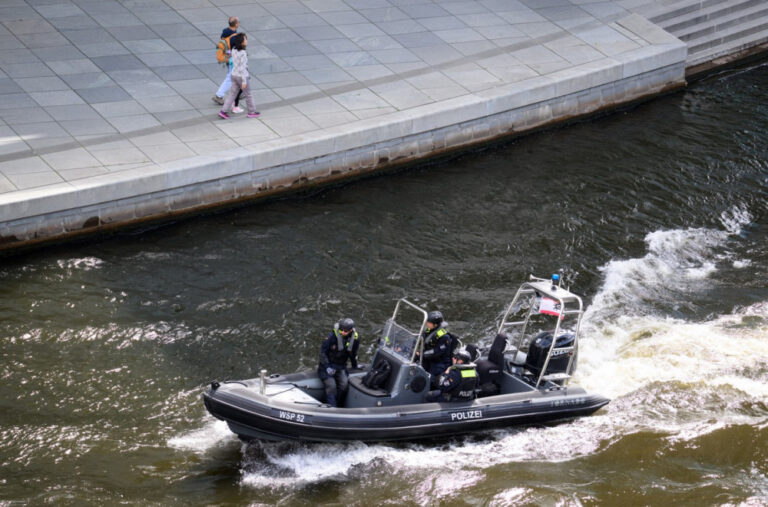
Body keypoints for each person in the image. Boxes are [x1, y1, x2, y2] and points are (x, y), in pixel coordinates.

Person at [318, 317, 360, 407]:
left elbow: (353, 354)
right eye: (341, 330)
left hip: (341, 366)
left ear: (351, 330)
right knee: (331, 386)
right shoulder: (332, 337)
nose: (343, 332)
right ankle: (331, 407)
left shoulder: (355, 339)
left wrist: (355, 365)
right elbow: (322, 353)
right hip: (327, 365)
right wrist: (327, 366)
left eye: (345, 331)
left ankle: (338, 405)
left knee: (344, 385)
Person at [218, 33, 260, 119]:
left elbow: (230, 56)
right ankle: (251, 112)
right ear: (242, 42)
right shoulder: (243, 53)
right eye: (245, 39)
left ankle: (223, 111)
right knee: (248, 94)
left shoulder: (234, 49)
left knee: (232, 94)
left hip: (234, 75)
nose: (246, 41)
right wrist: (244, 81)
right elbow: (243, 68)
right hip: (241, 76)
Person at [420, 310, 452, 385]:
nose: (427, 323)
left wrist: (422, 354)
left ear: (435, 325)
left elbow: (436, 352)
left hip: (439, 362)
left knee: (428, 379)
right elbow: (419, 339)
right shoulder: (429, 330)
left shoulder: (444, 337)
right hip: (429, 358)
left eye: (429, 322)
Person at [212, 17, 239, 106]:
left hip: (228, 58)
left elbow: (224, 44)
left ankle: (240, 91)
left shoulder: (225, 31)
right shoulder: (233, 36)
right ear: (235, 24)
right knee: (231, 77)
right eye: (238, 22)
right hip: (232, 59)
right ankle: (219, 95)